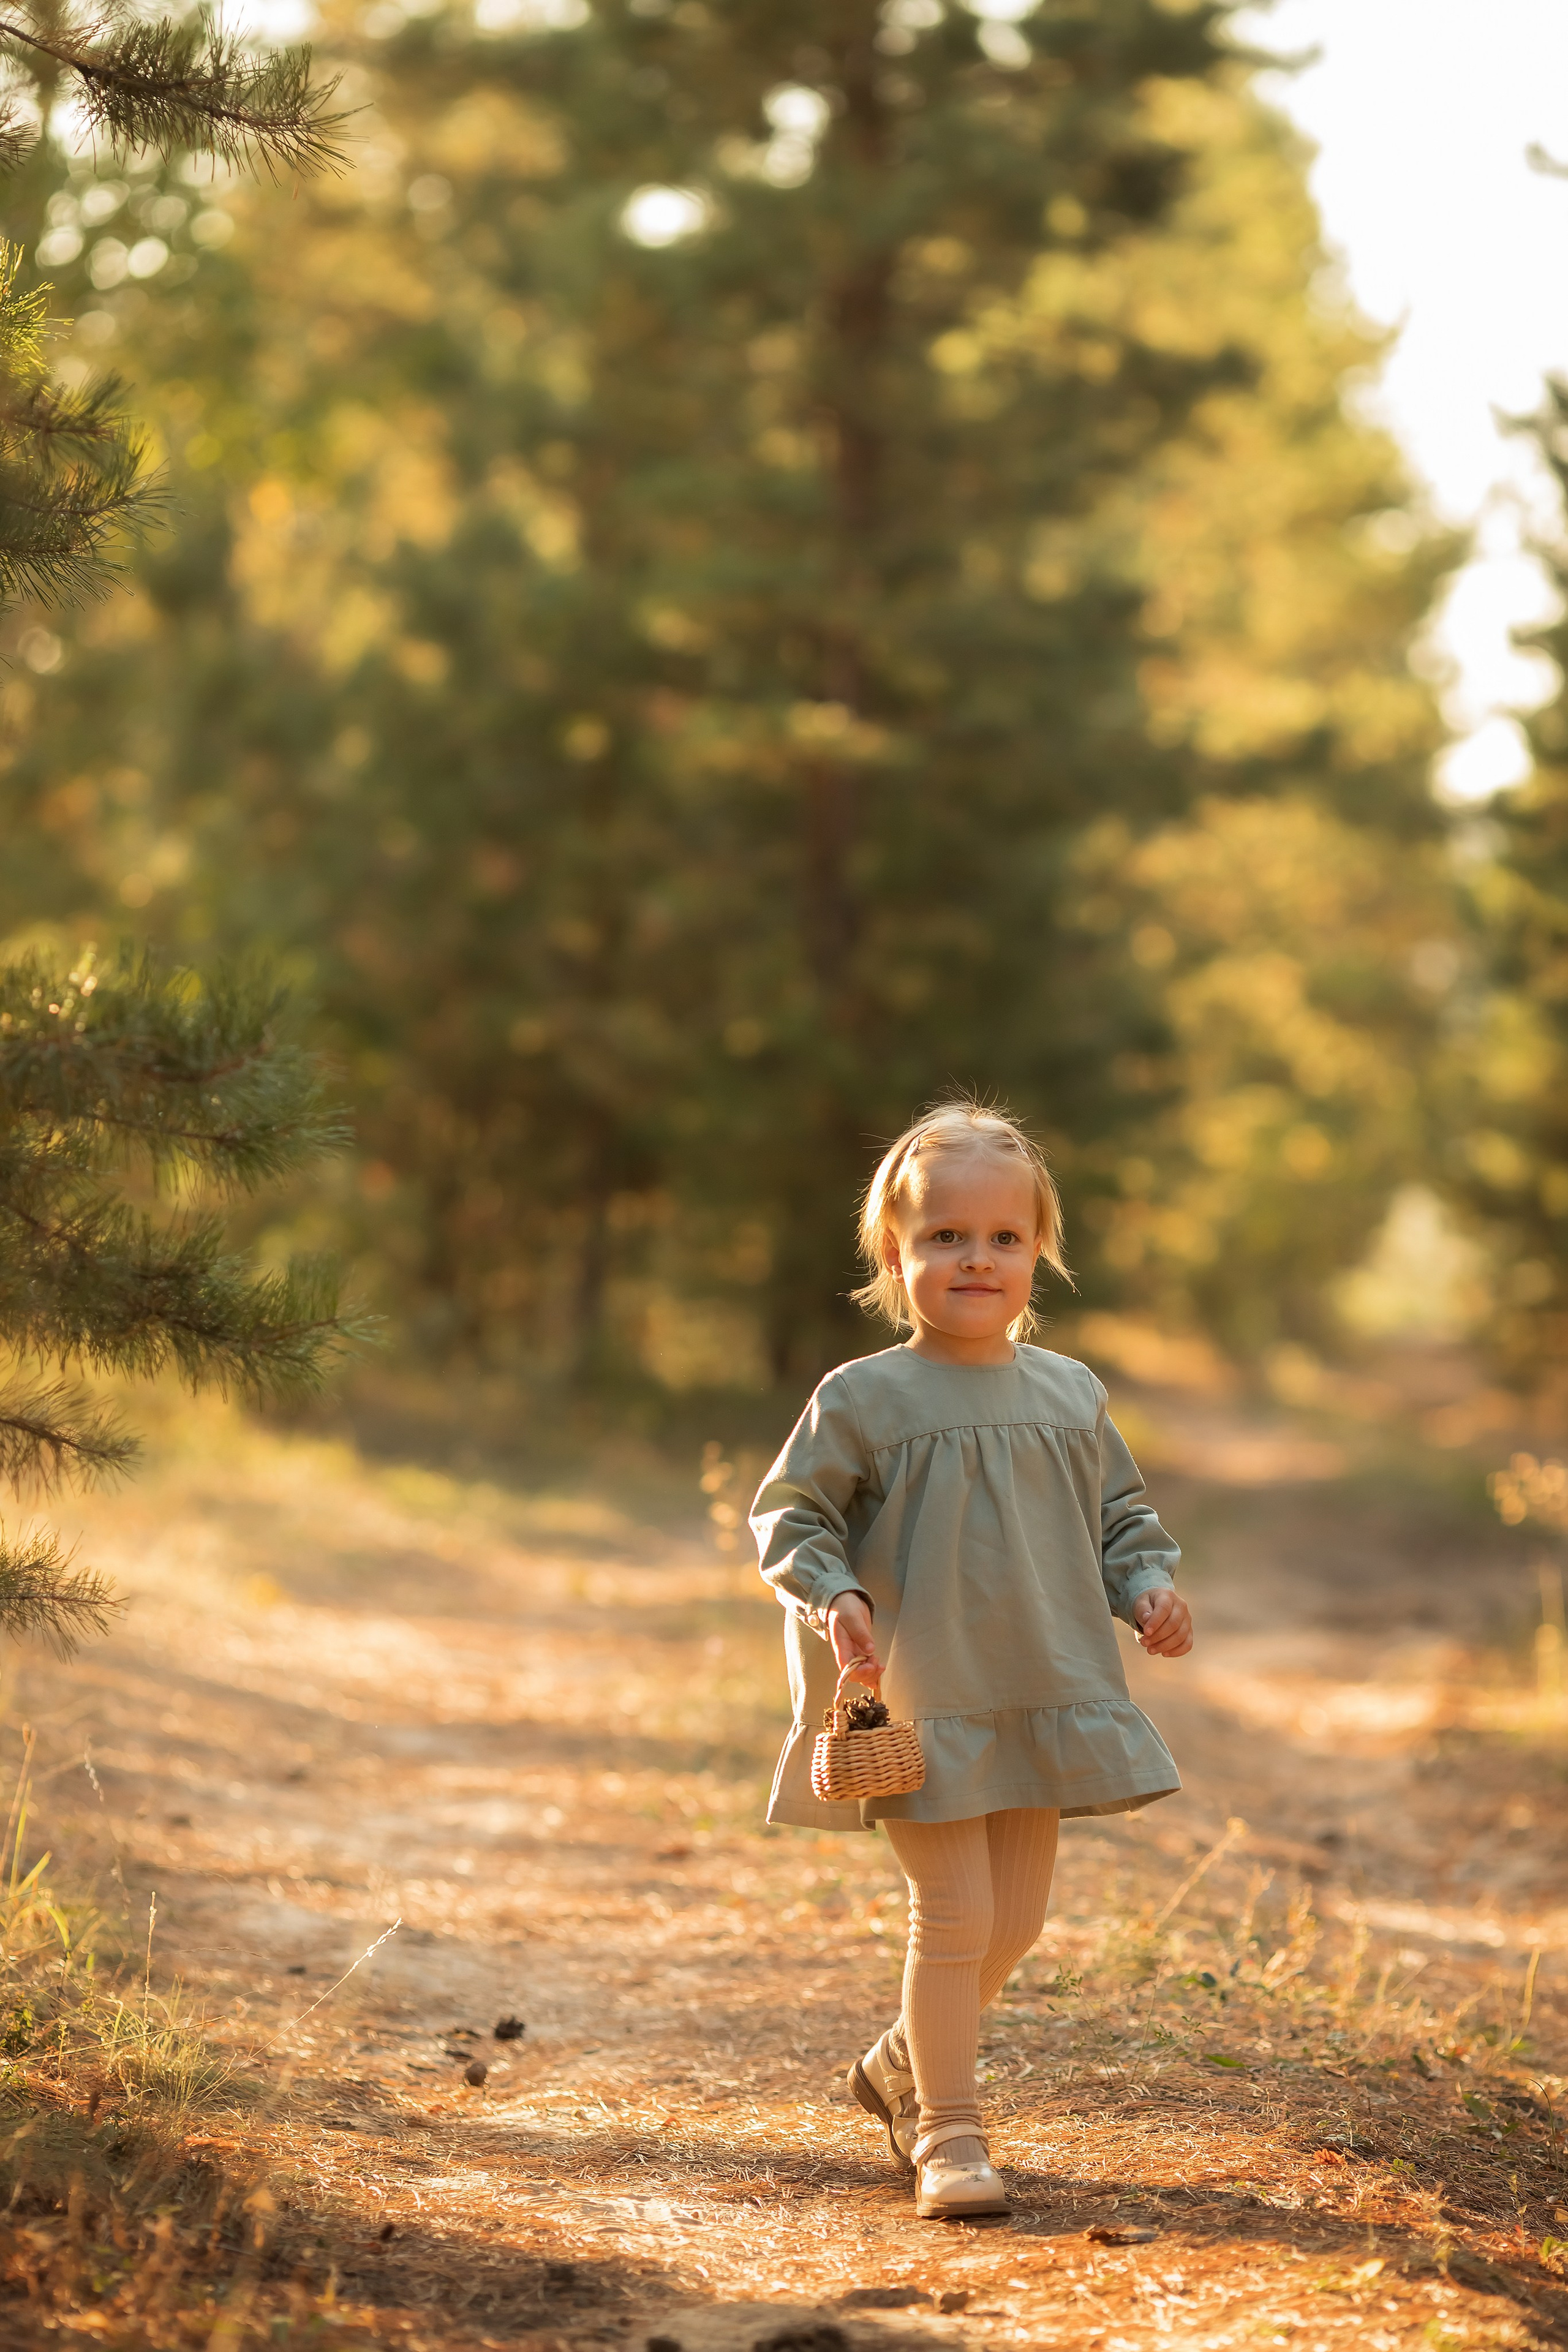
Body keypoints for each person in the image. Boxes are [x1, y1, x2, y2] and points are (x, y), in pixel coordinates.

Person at [750, 1100, 1193, 2223]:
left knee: (1016, 1922)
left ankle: (901, 2061)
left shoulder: (1070, 1392)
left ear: (1038, 1250)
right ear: (895, 1254)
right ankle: (947, 2132)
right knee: (952, 1916)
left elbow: (1120, 1518)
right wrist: (834, 1592)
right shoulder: (863, 1396)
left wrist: (1146, 1586)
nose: (976, 1258)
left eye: (1003, 1237)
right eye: (945, 1236)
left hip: (1038, 1681)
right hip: (920, 1696)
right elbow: (792, 1516)